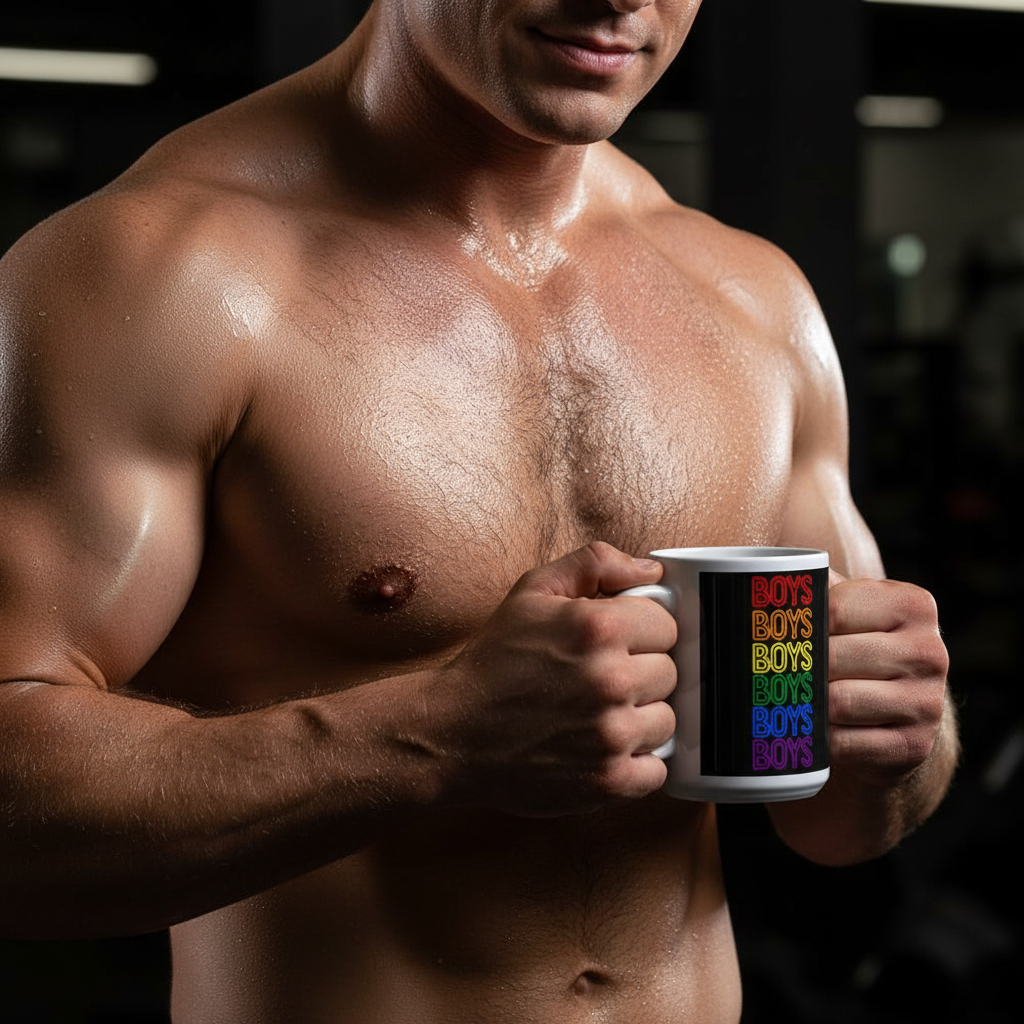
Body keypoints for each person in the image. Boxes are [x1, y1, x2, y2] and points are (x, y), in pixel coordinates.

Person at [0, 1, 957, 1021]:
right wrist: (438, 736)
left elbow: (844, 819)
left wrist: (896, 733)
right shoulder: (158, 273)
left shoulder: (753, 299)